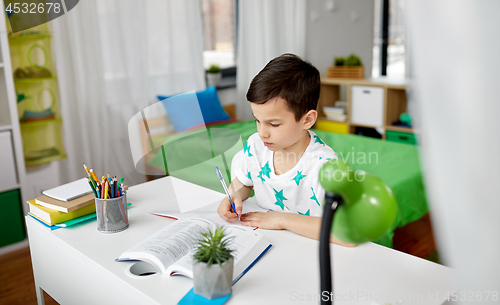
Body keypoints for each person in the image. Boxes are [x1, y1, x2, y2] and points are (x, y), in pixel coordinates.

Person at [217, 53, 355, 247]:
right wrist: (233, 197)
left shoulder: (325, 167)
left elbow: (347, 234)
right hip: (267, 244)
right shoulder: (256, 145)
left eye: (273, 124)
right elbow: (244, 183)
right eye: (257, 120)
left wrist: (280, 220)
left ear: (307, 120)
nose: (262, 133)